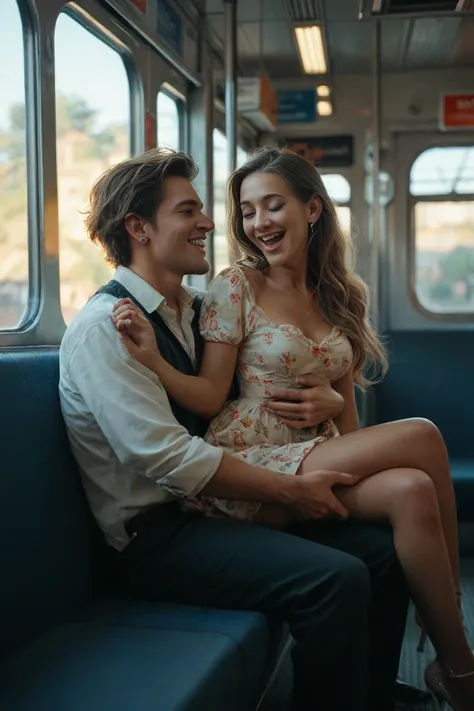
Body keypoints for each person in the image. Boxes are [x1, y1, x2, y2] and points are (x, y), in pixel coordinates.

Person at [113, 147, 473, 711]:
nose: (259, 223)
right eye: (248, 212)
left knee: (412, 488)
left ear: (312, 209)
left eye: (273, 206)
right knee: (424, 434)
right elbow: (209, 395)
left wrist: (332, 401)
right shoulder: (237, 287)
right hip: (254, 454)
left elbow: (349, 424)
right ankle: (459, 650)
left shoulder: (343, 295)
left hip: (319, 450)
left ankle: (442, 659)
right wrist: (155, 363)